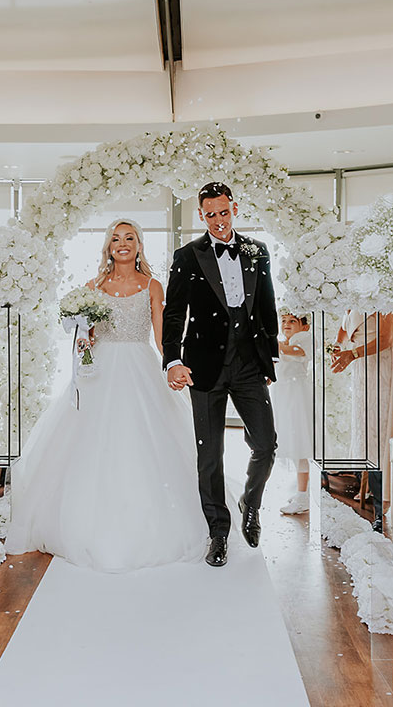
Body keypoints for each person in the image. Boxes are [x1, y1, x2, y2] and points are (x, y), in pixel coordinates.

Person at [5, 219, 205, 571]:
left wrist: (173, 365)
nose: (122, 243)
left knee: (143, 440)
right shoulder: (92, 287)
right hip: (100, 369)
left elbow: (162, 339)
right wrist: (82, 340)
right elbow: (88, 336)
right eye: (116, 238)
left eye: (130, 237)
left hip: (140, 365)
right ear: (108, 247)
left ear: (140, 245)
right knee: (92, 440)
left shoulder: (154, 286)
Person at [163, 183, 280, 567]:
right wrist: (172, 360)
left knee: (265, 444)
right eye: (209, 214)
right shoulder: (187, 256)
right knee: (209, 454)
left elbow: (266, 307)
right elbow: (173, 313)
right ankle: (218, 532)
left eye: (223, 212)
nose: (217, 221)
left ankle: (251, 500)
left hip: (248, 363)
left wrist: (268, 359)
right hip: (204, 366)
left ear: (234, 208)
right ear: (201, 215)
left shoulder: (256, 251)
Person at [331, 310, 393, 532]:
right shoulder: (351, 297)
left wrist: (352, 354)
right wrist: (337, 346)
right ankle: (369, 490)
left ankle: (381, 508)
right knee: (364, 430)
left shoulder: (380, 293)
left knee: (378, 433)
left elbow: (386, 338)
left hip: (380, 366)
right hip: (361, 368)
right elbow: (345, 329)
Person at [273, 312, 313, 515]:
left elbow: (293, 351)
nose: (286, 324)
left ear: (303, 326)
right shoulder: (283, 342)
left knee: (300, 446)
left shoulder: (304, 340)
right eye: (284, 321)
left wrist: (269, 341)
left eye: (292, 321)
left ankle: (303, 495)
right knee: (292, 441)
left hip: (297, 395)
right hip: (285, 395)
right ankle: (300, 492)